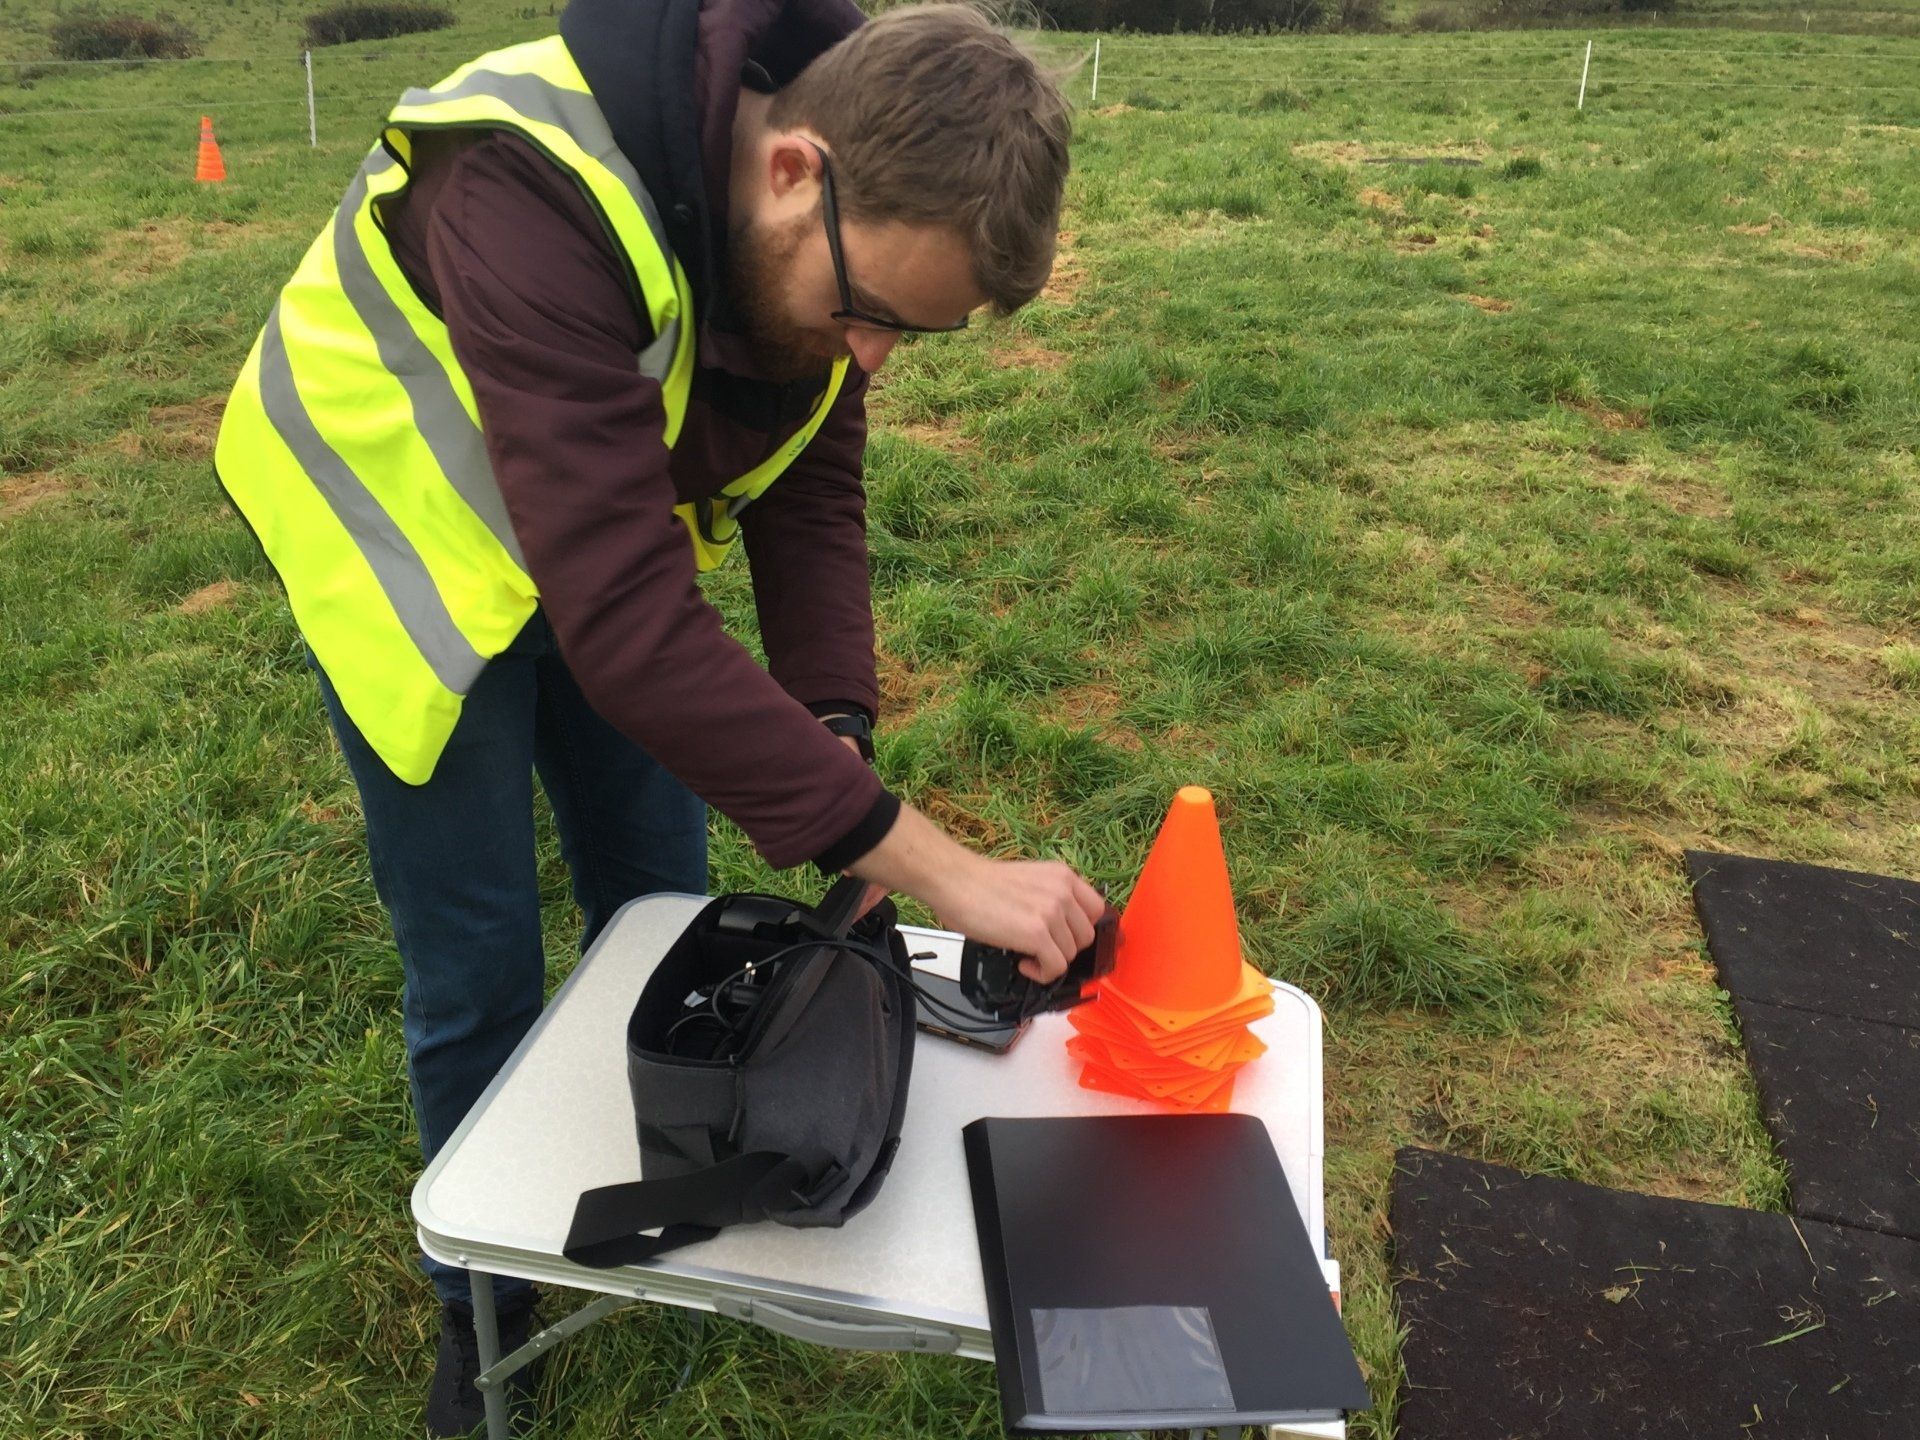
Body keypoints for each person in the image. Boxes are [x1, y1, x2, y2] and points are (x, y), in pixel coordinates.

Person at [212, 0, 1097, 1430]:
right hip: (410, 550)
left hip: (596, 539)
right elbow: (629, 624)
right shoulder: (523, 181)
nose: (871, 361)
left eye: (912, 339)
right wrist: (922, 862)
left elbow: (810, 481)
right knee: (479, 966)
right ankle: (486, 1305)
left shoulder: (817, 240)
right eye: (871, 315)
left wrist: (837, 738)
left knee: (660, 906)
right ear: (798, 171)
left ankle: (663, 1213)